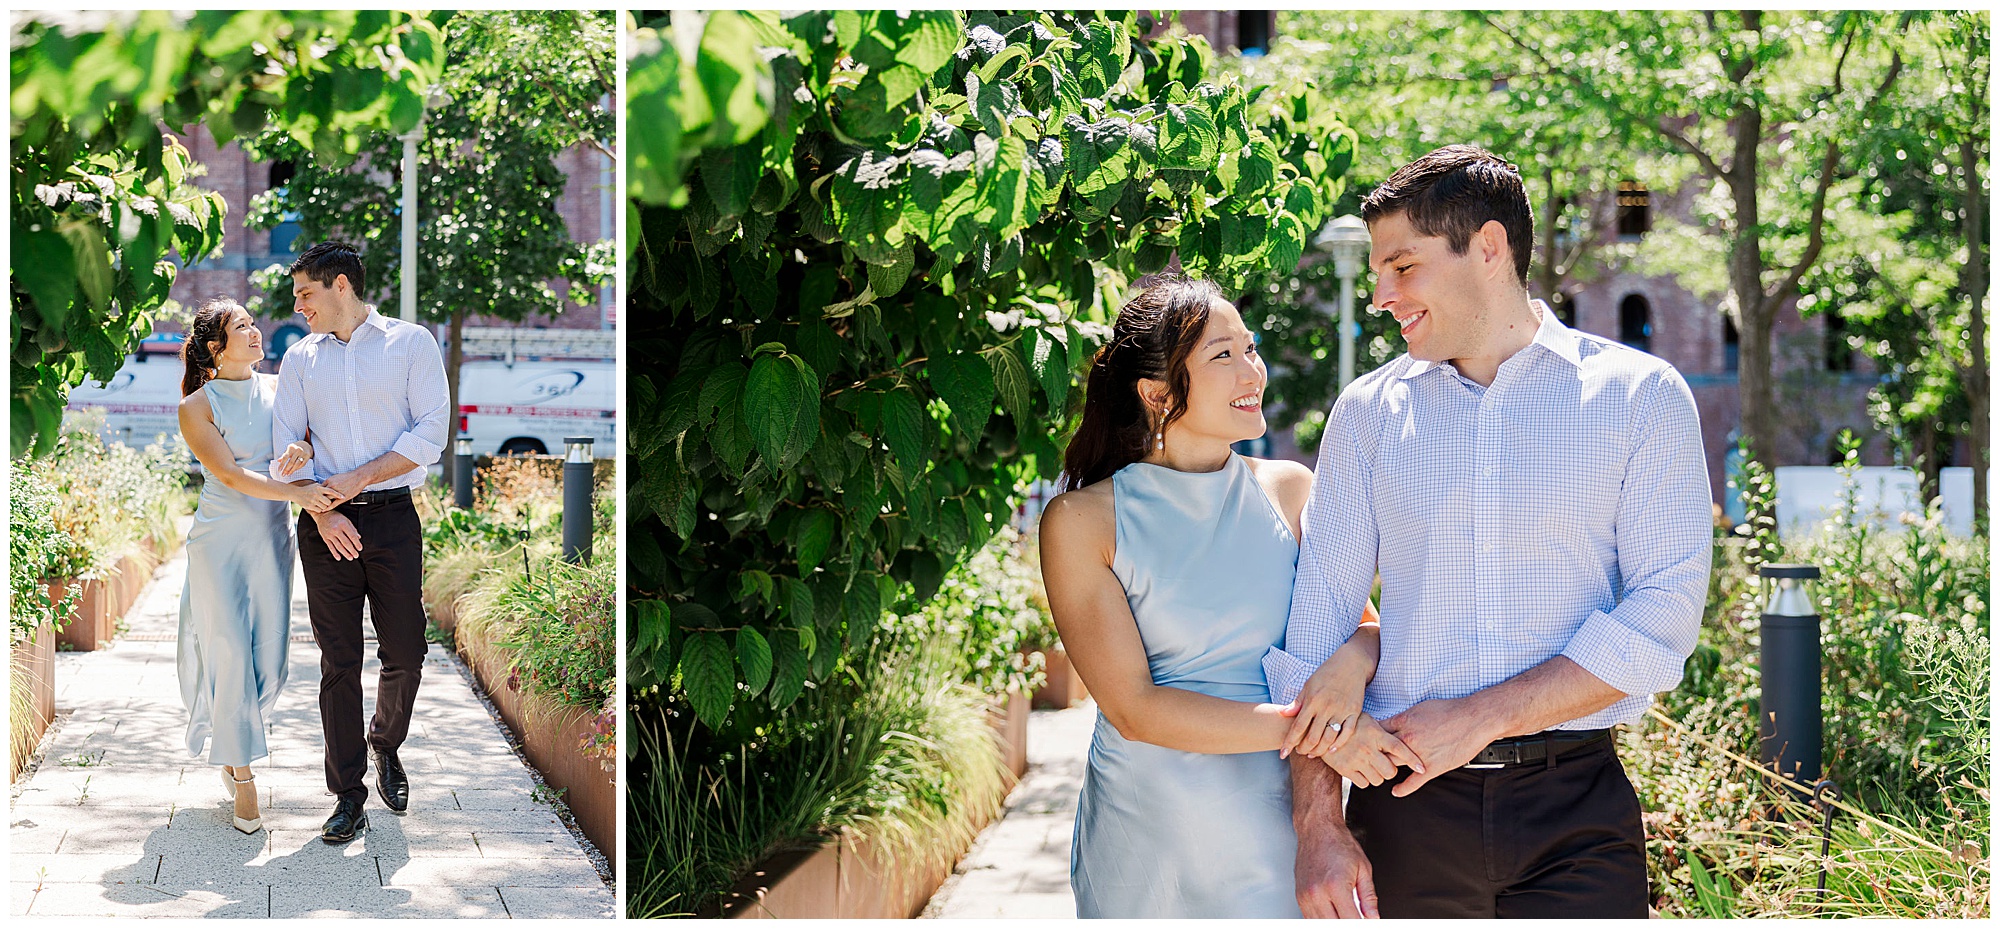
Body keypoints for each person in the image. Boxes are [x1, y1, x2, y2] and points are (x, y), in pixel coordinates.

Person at [1266, 145, 1712, 918]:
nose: (1380, 294)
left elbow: (1662, 619)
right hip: (1400, 811)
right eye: (1376, 270)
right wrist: (1318, 823)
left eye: (1402, 267)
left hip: (1576, 816)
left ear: (1490, 247)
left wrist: (1480, 717)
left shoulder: (1641, 397)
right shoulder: (1368, 414)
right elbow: (1313, 634)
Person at [1038, 276, 1399, 918]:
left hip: (1278, 821)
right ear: (1156, 394)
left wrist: (1347, 675)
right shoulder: (1080, 520)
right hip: (1148, 830)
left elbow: (1367, 630)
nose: (1251, 370)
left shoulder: (1291, 488)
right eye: (1222, 356)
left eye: (1251, 348)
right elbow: (1135, 708)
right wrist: (1321, 733)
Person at [271, 242, 450, 844]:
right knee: (338, 662)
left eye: (305, 294)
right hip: (325, 526)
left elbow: (431, 431)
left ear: (340, 285)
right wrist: (321, 508)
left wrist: (359, 477)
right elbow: (287, 447)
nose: (298, 307)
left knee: (407, 650)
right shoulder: (298, 359)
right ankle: (348, 794)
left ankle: (386, 743)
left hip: (394, 517)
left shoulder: (411, 343)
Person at [176, 298, 344, 834]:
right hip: (219, 540)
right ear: (214, 348)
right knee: (226, 650)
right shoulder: (196, 407)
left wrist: (298, 453)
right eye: (241, 326)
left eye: (253, 323)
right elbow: (228, 475)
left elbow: (304, 445)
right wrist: (301, 495)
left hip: (271, 539)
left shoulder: (279, 389)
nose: (255, 331)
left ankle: (233, 745)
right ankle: (244, 781)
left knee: (269, 660)